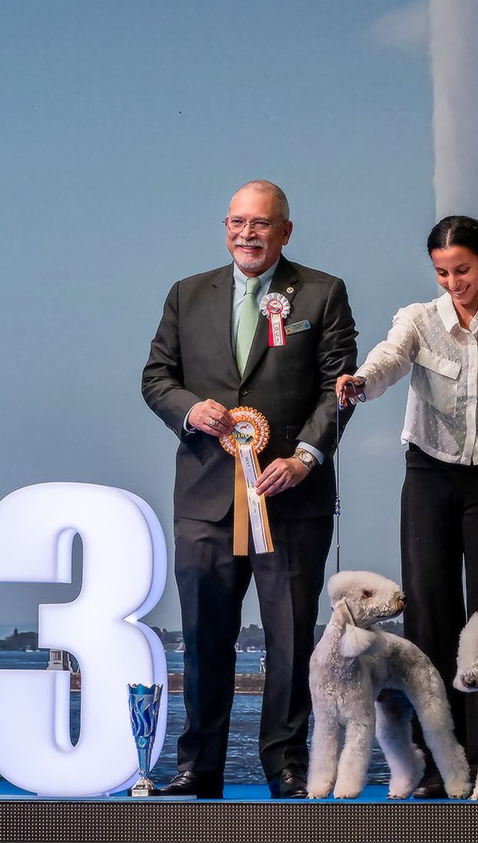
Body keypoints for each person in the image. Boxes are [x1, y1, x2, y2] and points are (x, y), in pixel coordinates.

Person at [142, 180, 358, 799]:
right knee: (204, 637)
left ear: (285, 231)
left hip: (291, 497)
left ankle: (286, 766)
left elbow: (338, 388)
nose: (247, 234)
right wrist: (189, 409)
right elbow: (156, 378)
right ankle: (198, 768)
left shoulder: (322, 292)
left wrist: (306, 457)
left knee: (289, 640)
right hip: (205, 500)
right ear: (225, 228)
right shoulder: (186, 294)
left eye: (261, 223)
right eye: (237, 222)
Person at [335, 215, 478, 797]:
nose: (453, 282)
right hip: (429, 476)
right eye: (442, 272)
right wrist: (361, 381)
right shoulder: (418, 318)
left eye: (462, 270)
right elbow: (390, 357)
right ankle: (442, 763)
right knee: (429, 617)